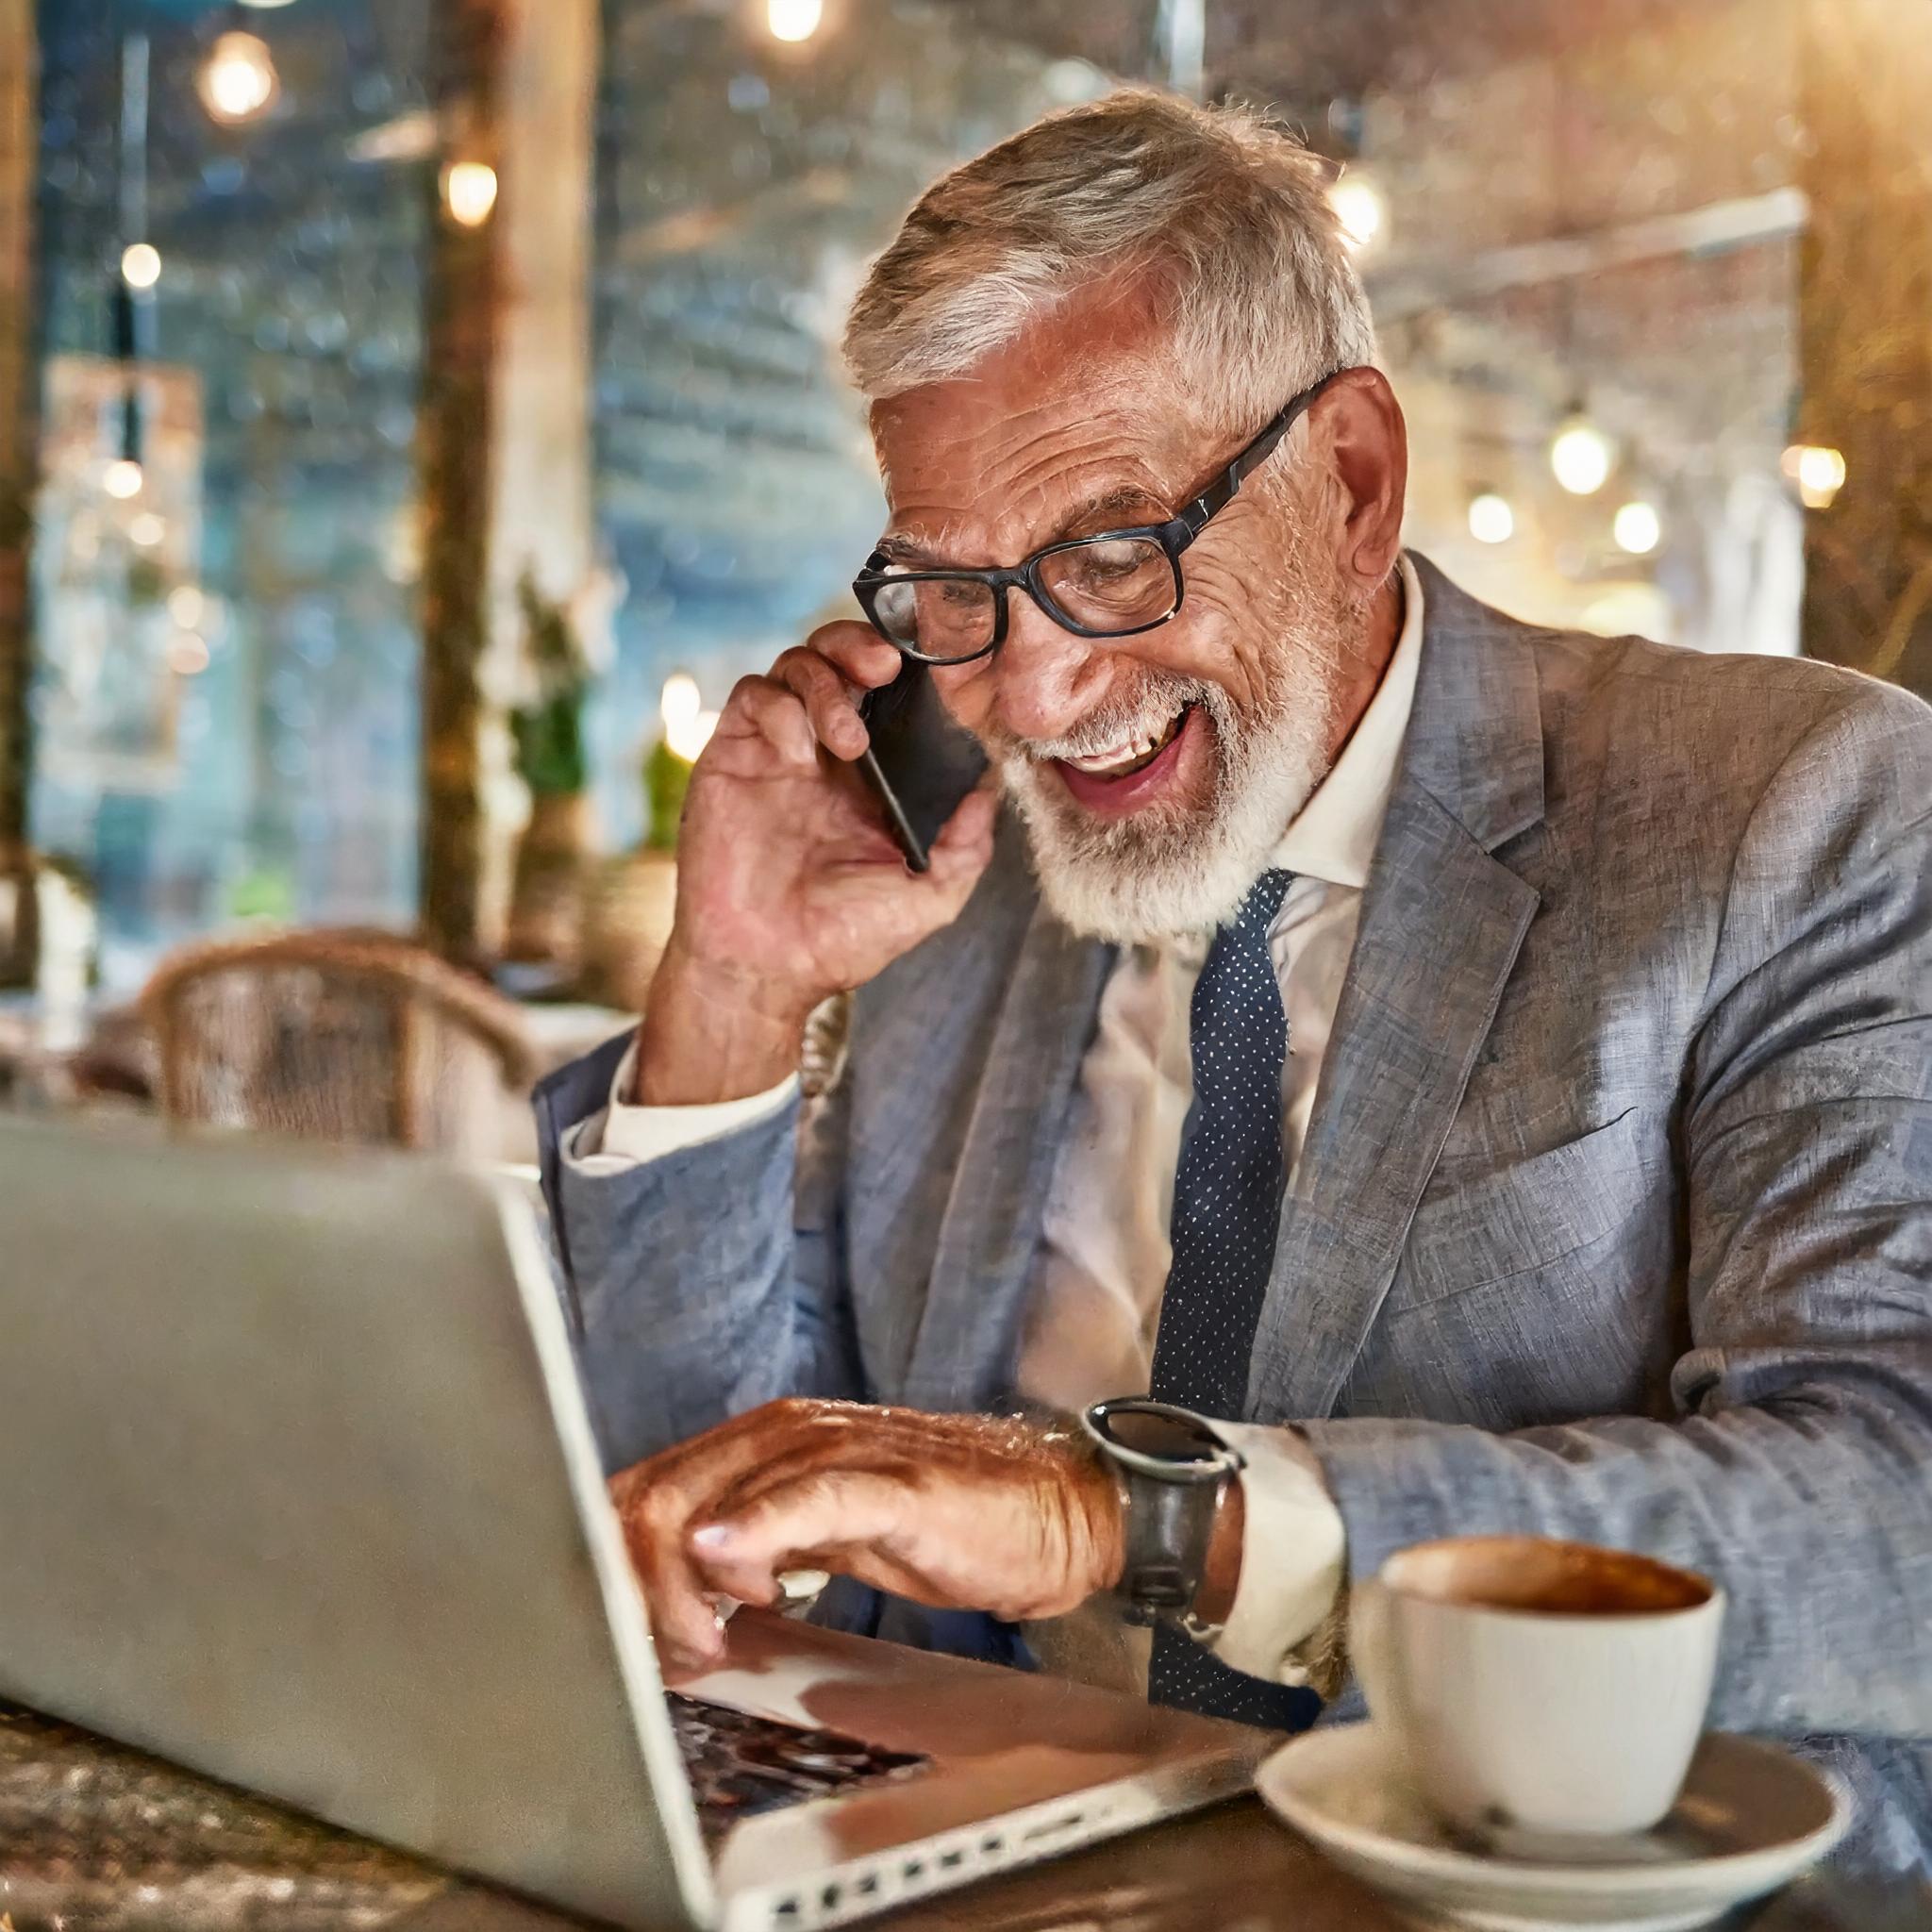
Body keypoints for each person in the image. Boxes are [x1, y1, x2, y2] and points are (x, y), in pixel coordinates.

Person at [536, 90, 1932, 1872]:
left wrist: (1118, 1516)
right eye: (953, 590)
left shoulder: (1788, 808)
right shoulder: (962, 882)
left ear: (1352, 481)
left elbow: (1896, 1514)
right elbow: (706, 1510)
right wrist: (733, 992)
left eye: (1111, 551)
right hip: (958, 1869)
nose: (1030, 695)